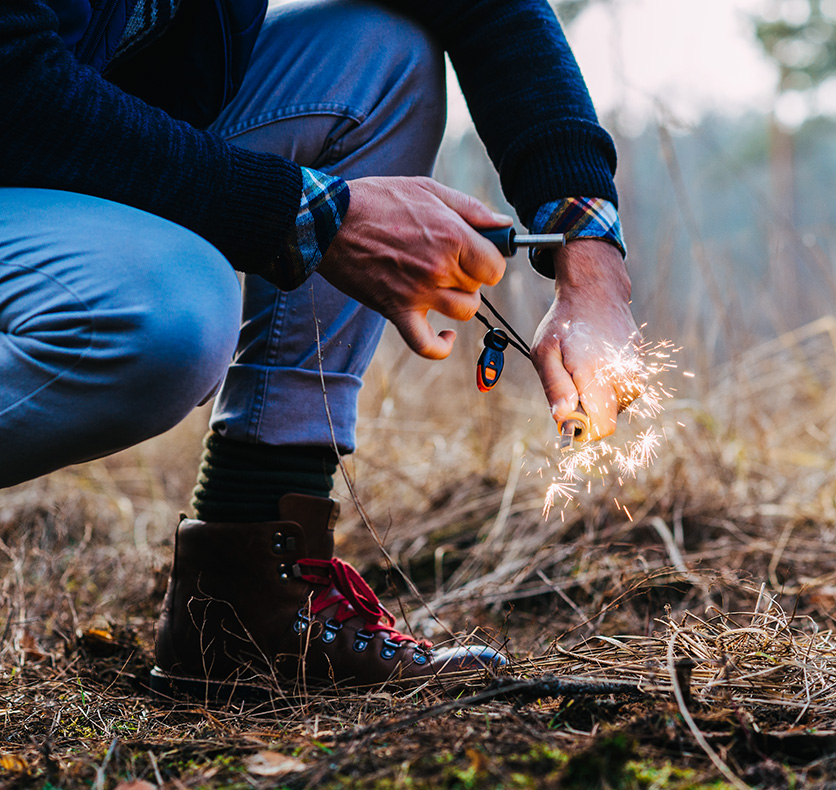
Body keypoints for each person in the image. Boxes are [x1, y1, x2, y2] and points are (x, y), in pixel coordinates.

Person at [0, 0, 639, 697]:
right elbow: (15, 81)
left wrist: (591, 259)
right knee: (168, 314)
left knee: (379, 60)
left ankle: (245, 592)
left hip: (81, 130)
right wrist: (306, 214)